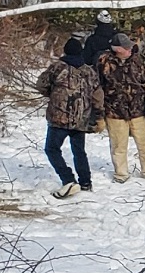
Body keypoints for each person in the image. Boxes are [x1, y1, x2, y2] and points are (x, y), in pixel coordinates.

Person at [35, 35, 103, 198]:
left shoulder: (57, 67)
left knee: (52, 149)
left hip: (59, 117)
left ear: (65, 51)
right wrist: (98, 115)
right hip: (81, 117)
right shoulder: (89, 71)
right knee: (79, 151)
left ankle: (68, 180)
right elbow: (98, 95)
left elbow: (41, 84)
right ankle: (86, 182)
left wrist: (52, 93)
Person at [98, 33, 145, 181]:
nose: (130, 49)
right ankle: (121, 174)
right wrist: (98, 109)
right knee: (118, 146)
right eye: (126, 47)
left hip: (139, 110)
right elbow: (97, 86)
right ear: (118, 49)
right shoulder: (103, 62)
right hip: (115, 112)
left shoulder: (137, 60)